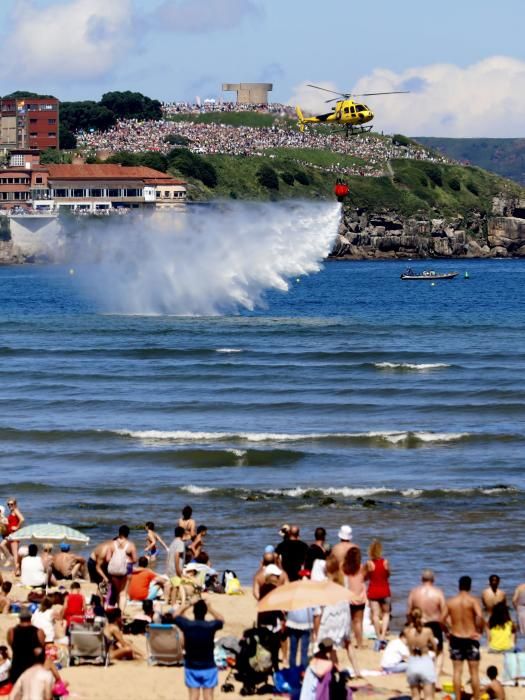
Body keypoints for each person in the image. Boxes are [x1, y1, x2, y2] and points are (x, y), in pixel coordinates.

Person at [312, 555, 361, 677]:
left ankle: (337, 669)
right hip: (344, 613)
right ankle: (357, 671)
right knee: (348, 643)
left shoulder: (324, 583)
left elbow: (321, 605)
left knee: (330, 645)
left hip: (331, 615)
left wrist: (316, 628)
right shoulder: (343, 579)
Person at [174, 597, 224, 700]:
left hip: (192, 666)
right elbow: (221, 620)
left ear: (193, 612)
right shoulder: (210, 626)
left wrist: (188, 604)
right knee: (208, 697)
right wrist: (210, 608)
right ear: (205, 612)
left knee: (193, 697)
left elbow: (175, 615)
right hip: (208, 666)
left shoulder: (187, 625)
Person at [445, 575, 484, 700]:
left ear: (459, 585)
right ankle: (476, 698)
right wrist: (479, 631)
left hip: (456, 638)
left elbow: (441, 619)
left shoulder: (451, 601)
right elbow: (479, 617)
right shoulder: (473, 601)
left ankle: (457, 698)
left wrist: (448, 630)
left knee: (457, 671)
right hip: (471, 638)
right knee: (474, 672)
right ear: (470, 586)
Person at [407, 569, 447, 683]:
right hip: (434, 624)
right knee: (439, 652)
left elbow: (408, 611)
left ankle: (420, 675)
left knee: (419, 650)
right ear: (433, 579)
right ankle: (436, 677)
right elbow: (444, 611)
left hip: (418, 624)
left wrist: (410, 624)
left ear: (422, 579)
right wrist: (443, 626)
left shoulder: (414, 592)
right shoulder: (438, 592)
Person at [405, 608, 437, 700]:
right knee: (429, 696)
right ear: (421, 616)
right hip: (425, 662)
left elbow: (408, 644)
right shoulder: (427, 631)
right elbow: (435, 646)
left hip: (412, 663)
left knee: (415, 696)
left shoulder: (407, 631)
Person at [7, 607, 46, 684]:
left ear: (19, 618)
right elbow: (42, 648)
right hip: (33, 674)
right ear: (31, 617)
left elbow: (11, 644)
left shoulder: (11, 631)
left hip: (16, 673)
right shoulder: (38, 631)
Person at [365, 539, 391, 648]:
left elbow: (366, 577)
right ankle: (383, 636)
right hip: (384, 590)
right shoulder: (385, 562)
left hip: (373, 591)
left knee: (375, 614)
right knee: (386, 613)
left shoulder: (369, 563)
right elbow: (388, 574)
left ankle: (378, 636)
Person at [106, 525, 137, 609]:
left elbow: (108, 559)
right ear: (128, 534)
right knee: (123, 593)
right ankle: (121, 613)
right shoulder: (130, 545)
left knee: (115, 591)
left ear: (119, 533)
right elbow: (135, 560)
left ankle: (114, 610)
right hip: (126, 570)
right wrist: (127, 560)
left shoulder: (112, 544)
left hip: (114, 571)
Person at [343, 546, 367, 648]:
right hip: (360, 597)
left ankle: (352, 641)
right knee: (359, 621)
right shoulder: (361, 568)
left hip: (350, 597)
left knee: (352, 621)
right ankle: (360, 643)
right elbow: (365, 578)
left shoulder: (345, 569)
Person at [5, 499, 24, 575]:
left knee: (14, 553)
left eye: (12, 504)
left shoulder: (16, 510)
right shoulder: (11, 512)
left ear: (15, 504)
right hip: (11, 535)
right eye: (8, 504)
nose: (10, 506)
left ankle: (17, 570)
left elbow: (22, 519)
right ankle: (18, 567)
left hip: (15, 535)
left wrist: (17, 527)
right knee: (5, 547)